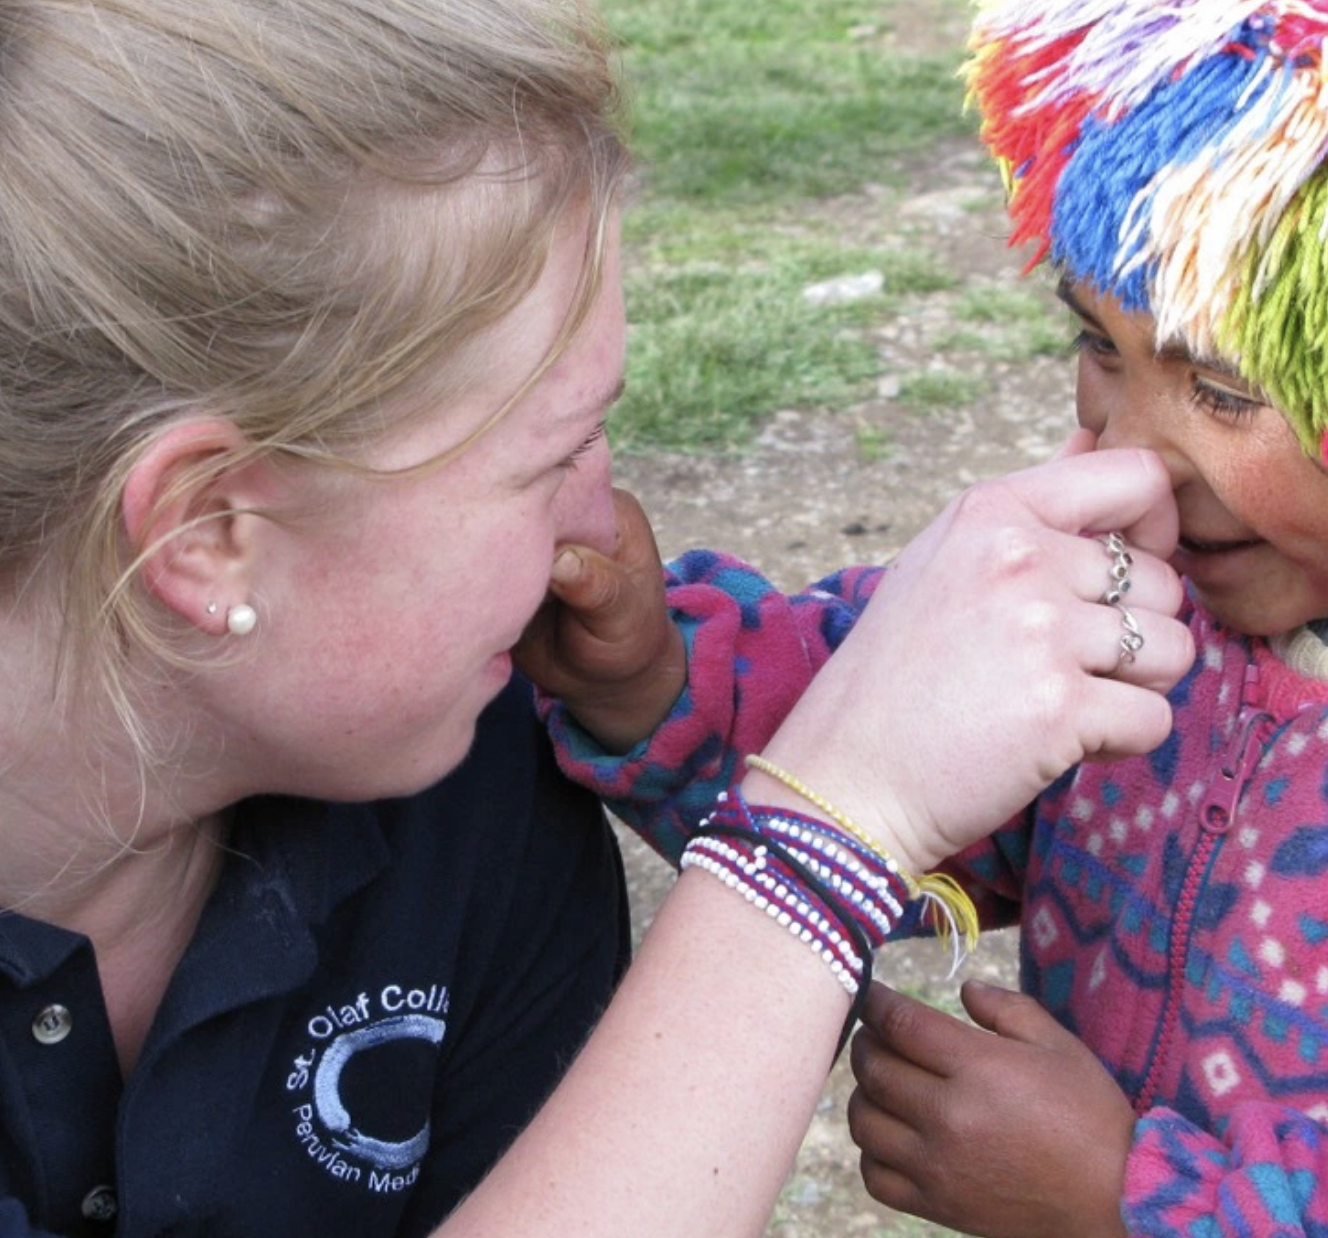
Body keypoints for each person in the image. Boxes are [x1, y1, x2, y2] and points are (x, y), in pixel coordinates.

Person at [0, 1, 1193, 1236]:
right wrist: (823, 831)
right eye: (548, 454)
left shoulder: (464, 798)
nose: (599, 519)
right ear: (203, 533)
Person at [521, 3, 1328, 1236]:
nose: (1128, 447)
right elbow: (889, 736)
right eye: (1096, 341)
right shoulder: (1118, 600)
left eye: (1220, 388)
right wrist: (654, 678)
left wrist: (1123, 1201)